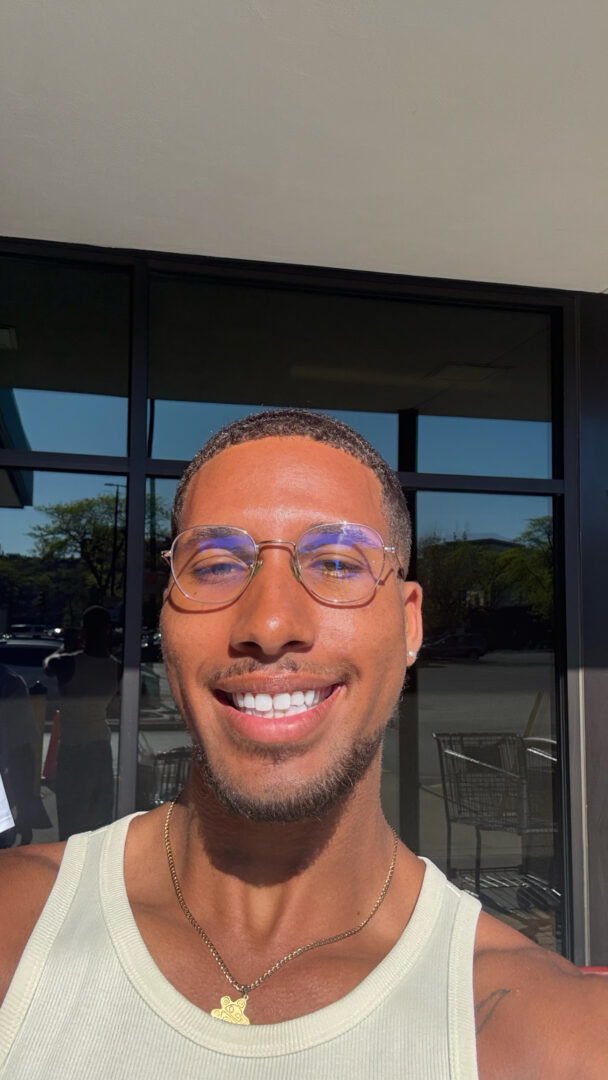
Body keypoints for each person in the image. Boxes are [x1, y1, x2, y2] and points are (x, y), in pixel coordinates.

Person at [0, 409, 606, 1079]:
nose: (269, 623)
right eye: (216, 565)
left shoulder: (558, 1037)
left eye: (337, 562)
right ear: (166, 619)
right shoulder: (16, 924)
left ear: (409, 625)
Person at [43, 607, 120, 840]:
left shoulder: (69, 663)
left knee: (71, 816)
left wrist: (66, 646)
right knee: (99, 817)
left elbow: (48, 666)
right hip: (100, 746)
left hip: (74, 747)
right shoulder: (116, 667)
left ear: (83, 632)